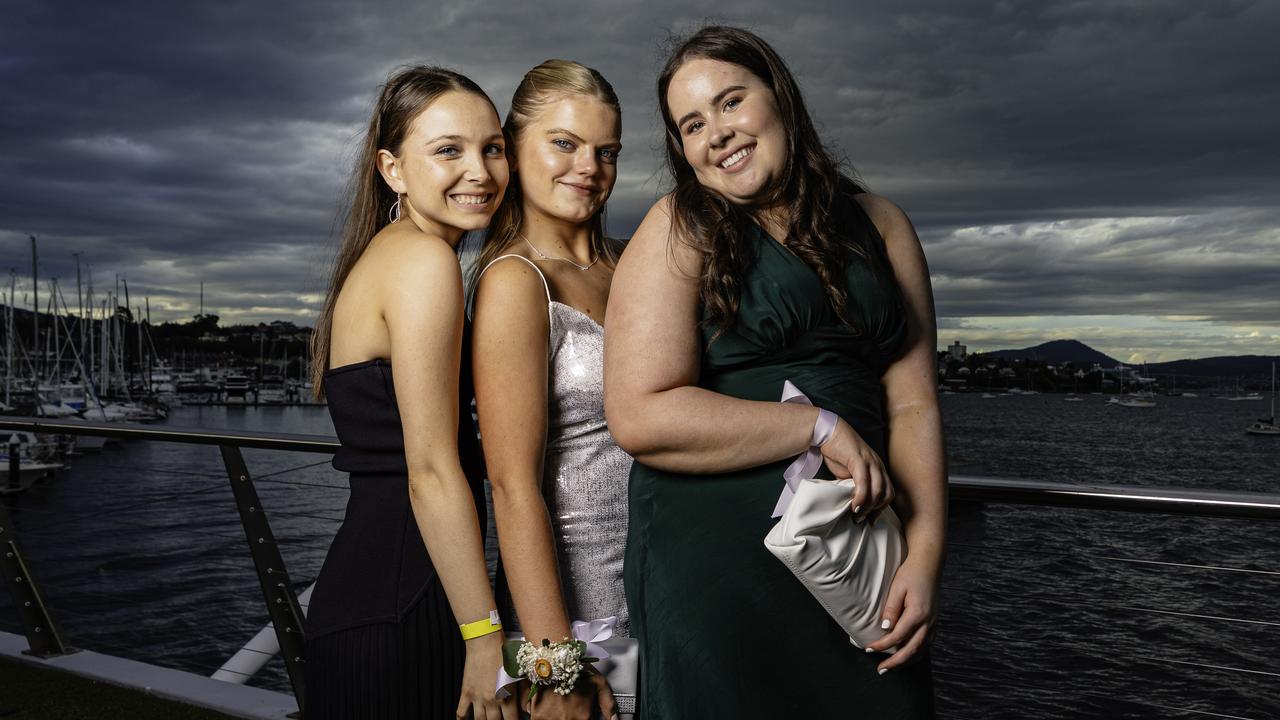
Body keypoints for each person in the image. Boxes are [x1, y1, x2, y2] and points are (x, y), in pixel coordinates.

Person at [604, 26, 945, 718]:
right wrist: (815, 428)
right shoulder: (679, 226)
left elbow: (914, 407)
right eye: (692, 125)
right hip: (716, 569)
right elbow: (639, 415)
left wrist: (927, 552)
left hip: (858, 553)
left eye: (731, 103)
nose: (716, 134)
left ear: (780, 98)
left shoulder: (881, 224)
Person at [305, 66, 515, 720]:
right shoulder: (423, 263)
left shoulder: (388, 254)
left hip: (373, 594)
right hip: (406, 611)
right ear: (392, 169)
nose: (479, 170)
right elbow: (428, 471)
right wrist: (483, 638)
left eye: (493, 148)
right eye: (448, 150)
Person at [469, 59, 627, 720]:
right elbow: (510, 485)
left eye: (606, 151)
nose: (587, 166)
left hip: (666, 587)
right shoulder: (515, 281)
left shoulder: (634, 264)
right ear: (514, 147)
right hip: (573, 615)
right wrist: (555, 668)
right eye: (564, 143)